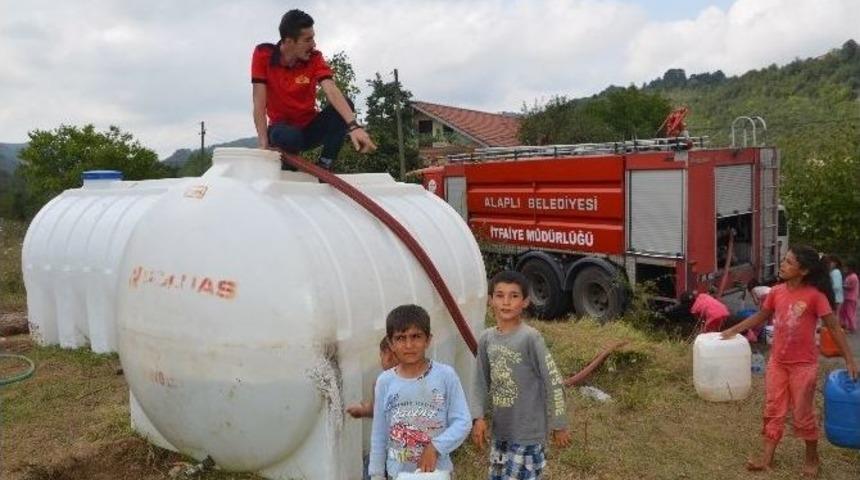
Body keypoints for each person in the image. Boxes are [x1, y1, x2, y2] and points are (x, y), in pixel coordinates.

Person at [721, 245, 858, 477]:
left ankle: (812, 458)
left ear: (803, 271)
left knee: (802, 414)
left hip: (803, 366)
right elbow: (761, 316)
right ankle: (766, 459)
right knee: (773, 409)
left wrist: (850, 360)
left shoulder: (815, 296)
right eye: (784, 260)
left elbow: (834, 328)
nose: (782, 265)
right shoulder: (776, 292)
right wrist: (734, 330)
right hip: (777, 362)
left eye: (789, 262)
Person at [471, 271, 571, 480]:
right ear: (490, 300)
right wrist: (478, 417)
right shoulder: (486, 339)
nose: (506, 302)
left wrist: (559, 423)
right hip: (501, 432)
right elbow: (480, 381)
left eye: (514, 296)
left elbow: (553, 381)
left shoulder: (530, 338)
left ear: (525, 302)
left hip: (528, 435)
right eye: (500, 295)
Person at [251, 9, 376, 170]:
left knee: (346, 104)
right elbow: (259, 103)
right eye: (308, 40)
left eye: (313, 38)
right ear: (289, 41)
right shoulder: (263, 54)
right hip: (282, 131)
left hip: (309, 129)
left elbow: (331, 90)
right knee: (290, 136)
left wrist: (354, 126)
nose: (314, 45)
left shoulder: (315, 58)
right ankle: (288, 166)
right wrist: (263, 145)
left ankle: (325, 165)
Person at [368, 305, 471, 479]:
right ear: (391, 343)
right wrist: (377, 474)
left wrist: (435, 447)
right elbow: (379, 434)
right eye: (401, 338)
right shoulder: (385, 381)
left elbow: (463, 422)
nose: (409, 345)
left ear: (428, 340)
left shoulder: (445, 376)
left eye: (416, 336)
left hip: (436, 473)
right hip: (397, 474)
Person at [347, 336, 399, 419]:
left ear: (388, 355)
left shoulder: (383, 382)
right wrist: (363, 410)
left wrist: (364, 411)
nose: (380, 360)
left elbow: (380, 414)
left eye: (381, 355)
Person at [840, 261, 858, 333]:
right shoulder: (849, 276)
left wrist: (842, 286)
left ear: (851, 268)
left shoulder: (853, 277)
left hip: (851, 298)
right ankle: (845, 325)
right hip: (847, 297)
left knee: (850, 313)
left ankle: (852, 327)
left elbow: (851, 287)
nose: (845, 269)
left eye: (846, 267)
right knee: (844, 312)